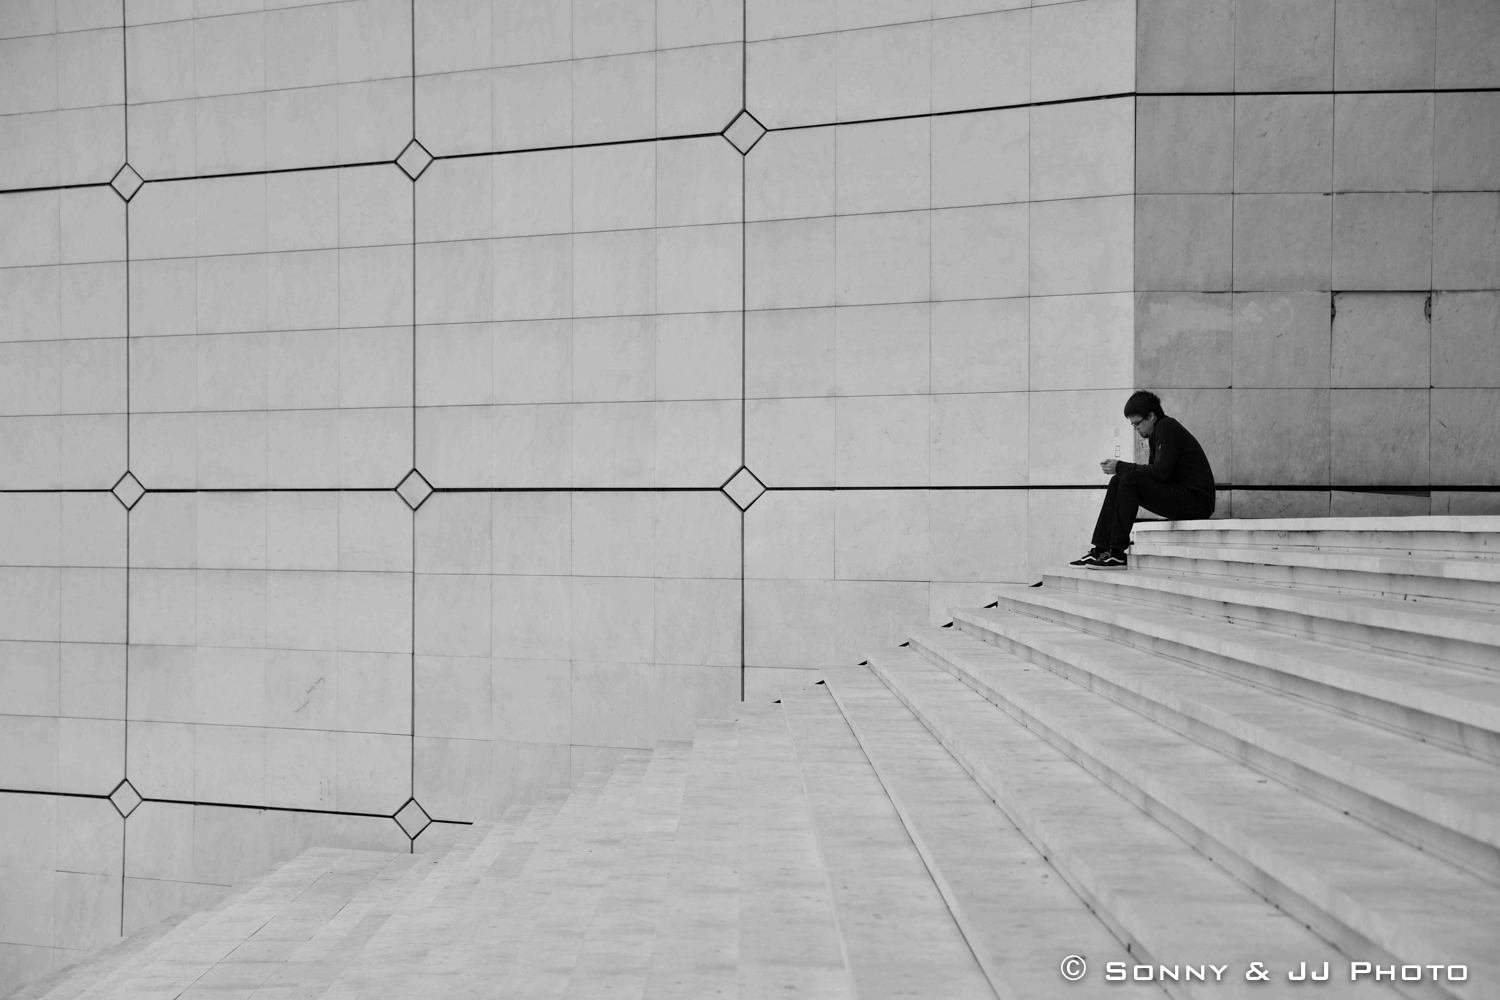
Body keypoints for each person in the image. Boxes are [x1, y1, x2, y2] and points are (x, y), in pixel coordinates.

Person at [1072, 391, 1216, 569]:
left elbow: (1160, 472)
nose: (1136, 429)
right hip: (1182, 495)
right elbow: (1154, 474)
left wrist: (1122, 466)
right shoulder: (1158, 432)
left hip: (1197, 502)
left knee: (1129, 479)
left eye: (1137, 424)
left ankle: (1116, 553)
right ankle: (1101, 548)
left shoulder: (1166, 428)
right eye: (1133, 425)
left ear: (1151, 416)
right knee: (1119, 480)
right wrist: (1121, 470)